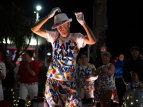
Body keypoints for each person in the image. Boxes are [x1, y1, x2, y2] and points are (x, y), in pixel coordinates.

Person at [31, 7, 96, 107]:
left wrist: (83, 23)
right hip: (53, 80)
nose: (60, 28)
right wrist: (48, 16)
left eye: (62, 25)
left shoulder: (76, 37)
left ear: (68, 24)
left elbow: (92, 41)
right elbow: (34, 29)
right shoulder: (54, 36)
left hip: (69, 81)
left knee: (75, 104)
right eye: (57, 26)